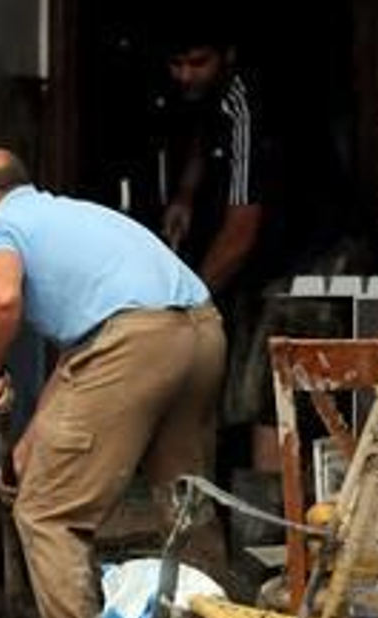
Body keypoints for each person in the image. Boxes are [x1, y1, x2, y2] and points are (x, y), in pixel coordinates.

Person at [0, 148, 226, 618]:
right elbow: (80, 360)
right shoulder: (76, 215)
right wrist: (26, 451)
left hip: (134, 343)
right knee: (184, 503)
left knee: (47, 514)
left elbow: (1, 296)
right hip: (200, 330)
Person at [156, 14, 283, 430]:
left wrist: (184, 303)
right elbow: (203, 141)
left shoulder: (245, 104)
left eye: (197, 63)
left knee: (262, 395)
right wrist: (185, 197)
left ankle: (270, 493)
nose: (185, 75)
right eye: (177, 65)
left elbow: (241, 231)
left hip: (305, 260)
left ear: (227, 56)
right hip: (251, 268)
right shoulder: (206, 101)